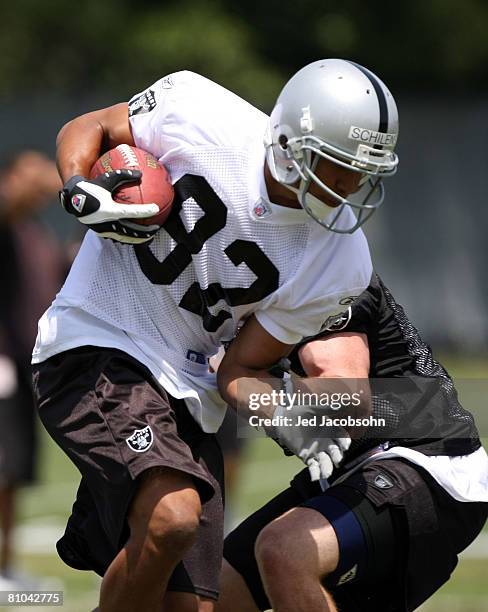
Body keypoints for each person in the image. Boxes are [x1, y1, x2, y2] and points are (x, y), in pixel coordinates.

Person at [31, 59, 399, 611]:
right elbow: (91, 127)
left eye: (361, 173)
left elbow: (240, 370)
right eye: (336, 165)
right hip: (97, 336)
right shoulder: (198, 111)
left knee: (195, 605)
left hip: (188, 385)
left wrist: (288, 418)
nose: (348, 187)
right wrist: (79, 186)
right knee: (171, 515)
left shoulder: (340, 263)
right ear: (289, 139)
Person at [219, 273, 488, 612]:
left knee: (286, 548)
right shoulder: (220, 283)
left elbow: (348, 397)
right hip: (348, 470)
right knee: (218, 588)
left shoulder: (325, 273)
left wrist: (269, 393)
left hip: (426, 459)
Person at [0, 151, 64, 588]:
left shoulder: (34, 231)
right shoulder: (9, 220)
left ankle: (5, 568)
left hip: (27, 365)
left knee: (14, 472)